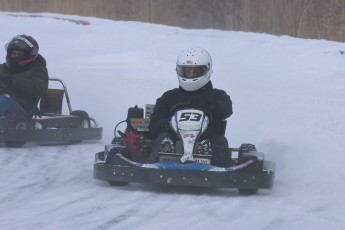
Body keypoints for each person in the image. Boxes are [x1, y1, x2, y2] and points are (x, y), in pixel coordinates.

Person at [149, 47, 233, 167]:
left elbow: (226, 110)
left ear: (206, 70)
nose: (191, 75)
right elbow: (154, 126)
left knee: (220, 141)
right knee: (163, 137)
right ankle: (164, 155)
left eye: (195, 72)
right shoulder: (169, 97)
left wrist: (209, 103)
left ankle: (211, 161)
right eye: (187, 72)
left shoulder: (217, 95)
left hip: (207, 139)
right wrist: (169, 125)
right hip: (174, 140)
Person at [0, 35, 49, 120]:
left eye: (19, 54)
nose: (15, 56)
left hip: (23, 109)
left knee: (4, 100)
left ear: (28, 55)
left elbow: (39, 87)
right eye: (14, 54)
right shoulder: (4, 68)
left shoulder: (38, 69)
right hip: (5, 107)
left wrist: (12, 81)